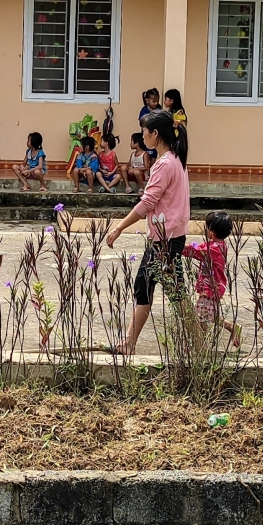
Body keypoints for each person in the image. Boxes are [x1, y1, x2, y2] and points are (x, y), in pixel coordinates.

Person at [104, 110, 191, 355]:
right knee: (169, 291)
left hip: (164, 239)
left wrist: (120, 226)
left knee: (148, 287)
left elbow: (147, 203)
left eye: (145, 132)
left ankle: (129, 343)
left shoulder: (164, 165)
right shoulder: (177, 160)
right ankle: (198, 342)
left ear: (155, 134)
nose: (143, 136)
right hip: (171, 236)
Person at [184, 211, 242, 348]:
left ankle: (202, 343)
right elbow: (197, 248)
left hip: (211, 288)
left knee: (201, 316)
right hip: (210, 287)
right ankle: (228, 329)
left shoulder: (215, 249)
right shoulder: (217, 245)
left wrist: (176, 247)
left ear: (212, 232)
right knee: (207, 315)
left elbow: (195, 252)